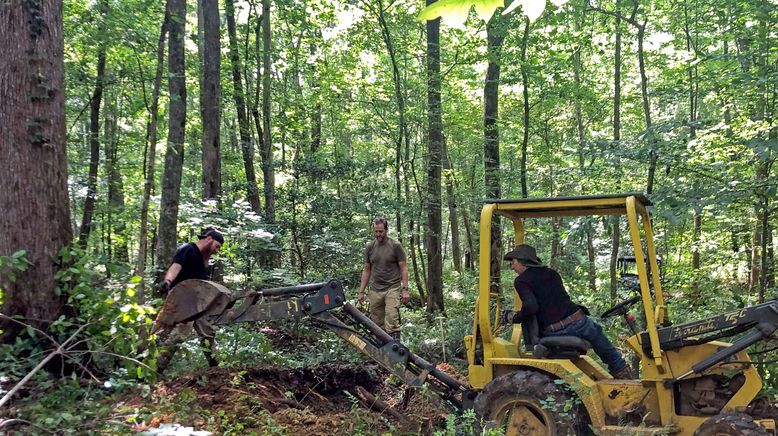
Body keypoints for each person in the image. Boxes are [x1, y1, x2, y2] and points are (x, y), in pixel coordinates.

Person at [502, 244, 634, 379]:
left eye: (513, 262)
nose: (512, 267)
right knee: (596, 332)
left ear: (522, 261)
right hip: (579, 321)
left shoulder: (521, 281)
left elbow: (531, 307)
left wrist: (515, 317)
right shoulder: (552, 274)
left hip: (555, 330)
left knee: (594, 330)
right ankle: (621, 371)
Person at [155, 227, 225, 371]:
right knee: (171, 332)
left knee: (207, 333)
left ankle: (216, 368)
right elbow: (176, 266)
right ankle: (153, 368)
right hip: (181, 301)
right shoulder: (187, 249)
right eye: (216, 246)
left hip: (198, 303)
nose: (217, 251)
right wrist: (167, 281)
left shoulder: (203, 259)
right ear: (209, 239)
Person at [358, 217, 410, 341]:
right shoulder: (370, 247)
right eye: (376, 232)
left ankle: (395, 350)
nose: (378, 234)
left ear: (386, 230)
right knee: (377, 322)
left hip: (392, 287)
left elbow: (403, 268)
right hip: (375, 288)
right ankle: (381, 352)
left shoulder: (395, 246)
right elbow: (366, 270)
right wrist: (361, 291)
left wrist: (405, 289)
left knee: (392, 318)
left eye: (380, 231)